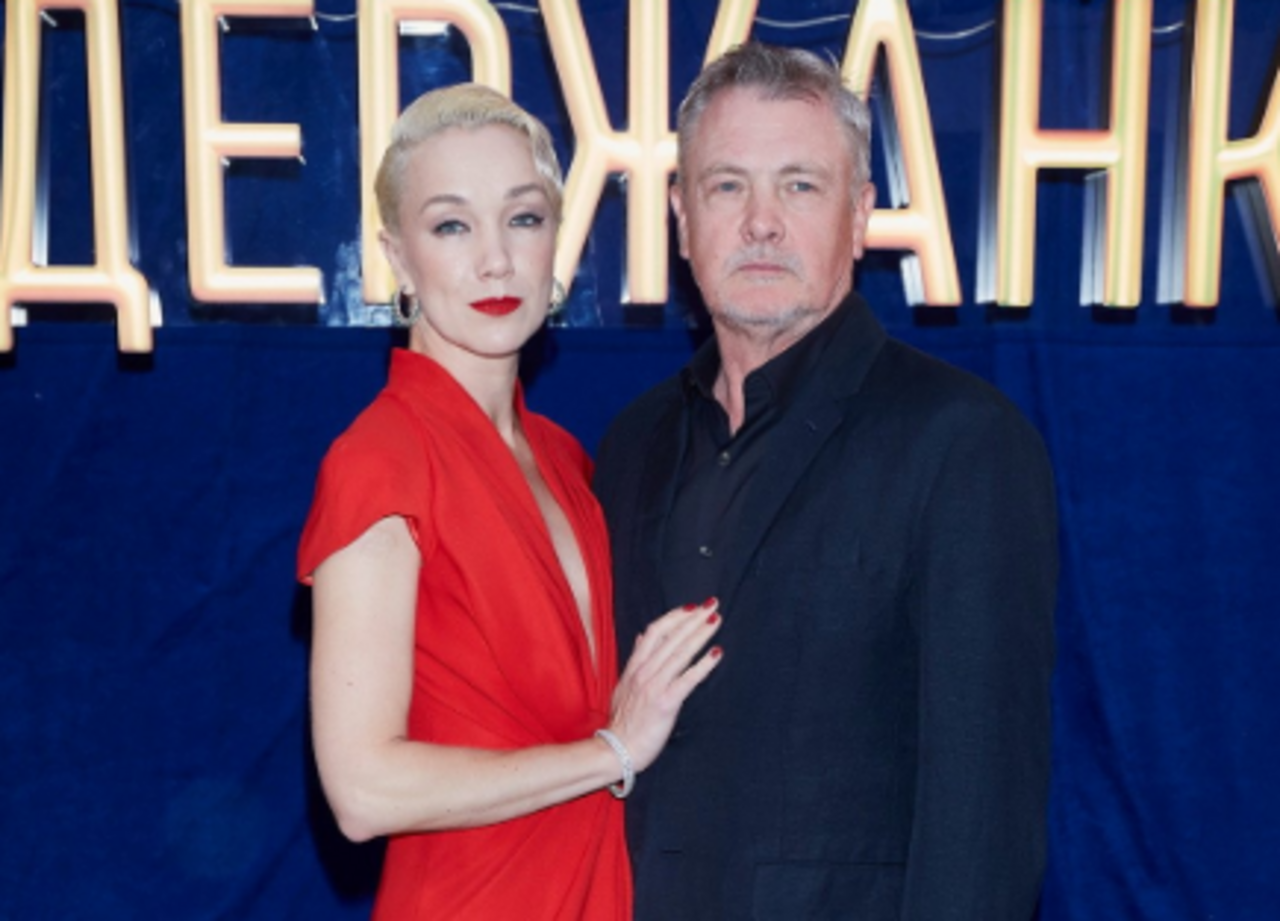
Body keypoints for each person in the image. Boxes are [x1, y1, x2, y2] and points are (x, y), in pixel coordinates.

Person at [593, 43, 1059, 920]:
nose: (761, 223)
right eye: (728, 186)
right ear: (682, 218)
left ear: (860, 215)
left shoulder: (963, 442)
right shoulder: (629, 447)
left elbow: (983, 822)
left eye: (800, 185)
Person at [296, 83, 722, 921]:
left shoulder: (565, 459)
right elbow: (363, 789)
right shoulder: (380, 462)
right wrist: (613, 750)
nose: (495, 260)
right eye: (451, 226)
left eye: (522, 218)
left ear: (556, 239)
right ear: (396, 256)